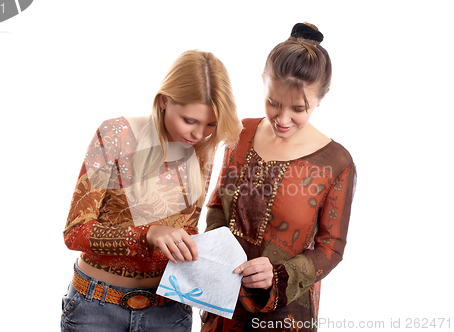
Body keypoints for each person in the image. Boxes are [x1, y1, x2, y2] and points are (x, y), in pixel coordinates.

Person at [61, 50, 242, 332]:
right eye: (189, 120)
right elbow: (75, 232)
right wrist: (148, 234)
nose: (198, 134)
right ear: (164, 101)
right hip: (96, 308)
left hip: (169, 311)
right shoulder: (114, 135)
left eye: (211, 124)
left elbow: (186, 232)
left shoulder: (201, 150)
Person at [202, 23, 357, 331]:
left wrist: (278, 275)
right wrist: (216, 253)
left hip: (284, 316)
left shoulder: (336, 162)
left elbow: (331, 248)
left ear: (321, 98)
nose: (282, 119)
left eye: (299, 109)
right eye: (273, 103)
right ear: (263, 83)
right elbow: (218, 205)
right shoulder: (242, 132)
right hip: (221, 304)